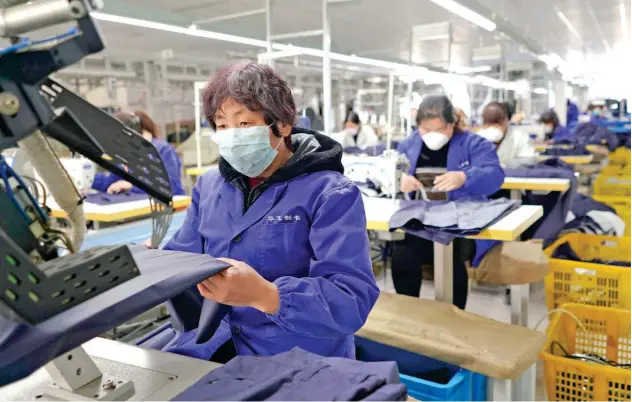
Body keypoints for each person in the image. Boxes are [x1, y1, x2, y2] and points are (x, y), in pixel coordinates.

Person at [160, 62, 379, 361]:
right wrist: (153, 263)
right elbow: (182, 257)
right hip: (215, 342)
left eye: (244, 124)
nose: (231, 136)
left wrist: (266, 295)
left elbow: (352, 299)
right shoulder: (209, 187)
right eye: (222, 126)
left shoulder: (331, 194)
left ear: (282, 124)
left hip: (300, 356)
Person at [392, 95, 505, 309]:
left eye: (440, 128)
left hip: (457, 225)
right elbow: (393, 170)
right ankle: (407, 317)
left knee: (452, 265)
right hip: (419, 222)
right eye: (426, 130)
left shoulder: (474, 144)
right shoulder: (409, 144)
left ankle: (453, 317)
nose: (433, 135)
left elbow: (495, 176)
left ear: (453, 123)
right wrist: (400, 181)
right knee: (402, 258)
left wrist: (465, 177)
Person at [91, 111, 185, 195]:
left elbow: (171, 187)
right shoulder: (126, 155)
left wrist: (132, 187)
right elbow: (110, 181)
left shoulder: (163, 151)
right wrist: (87, 178)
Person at [476, 102, 537, 167]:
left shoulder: (520, 137)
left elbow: (529, 161)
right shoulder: (477, 139)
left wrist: (506, 164)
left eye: (496, 123)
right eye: (488, 123)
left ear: (506, 121)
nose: (492, 127)